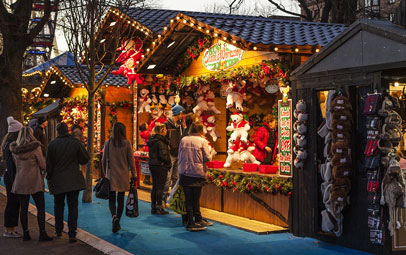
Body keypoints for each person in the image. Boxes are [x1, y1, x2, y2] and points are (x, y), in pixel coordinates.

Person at [46, 122, 89, 243]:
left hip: (58, 180)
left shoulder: (52, 145)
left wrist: (49, 177)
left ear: (57, 132)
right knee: (73, 207)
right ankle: (72, 233)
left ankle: (59, 230)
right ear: (68, 131)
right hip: (73, 179)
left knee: (58, 205)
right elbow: (85, 158)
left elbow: (48, 165)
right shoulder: (75, 143)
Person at [10, 127, 52, 241]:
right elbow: (43, 165)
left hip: (20, 181)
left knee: (23, 209)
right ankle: (42, 233)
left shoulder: (15, 150)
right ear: (31, 135)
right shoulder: (35, 147)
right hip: (35, 182)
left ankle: (26, 233)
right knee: (41, 208)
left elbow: (15, 165)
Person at [178, 122, 214, 231]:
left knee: (188, 199)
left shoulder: (183, 140)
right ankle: (193, 222)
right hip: (197, 172)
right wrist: (212, 152)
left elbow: (179, 155)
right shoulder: (203, 141)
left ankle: (192, 220)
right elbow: (207, 158)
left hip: (184, 171)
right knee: (195, 198)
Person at [102, 122, 136, 233]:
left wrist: (104, 172)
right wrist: (134, 174)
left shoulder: (108, 143)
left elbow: (103, 160)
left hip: (111, 174)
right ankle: (118, 221)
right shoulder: (127, 143)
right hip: (123, 175)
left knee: (111, 199)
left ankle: (114, 216)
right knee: (120, 199)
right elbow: (131, 161)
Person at [1, 117, 22, 238]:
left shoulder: (7, 144)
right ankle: (9, 229)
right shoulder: (10, 146)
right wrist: (15, 180)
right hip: (11, 177)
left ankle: (11, 228)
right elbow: (10, 164)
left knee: (13, 202)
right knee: (12, 202)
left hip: (10, 176)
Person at [162, 104, 185, 205]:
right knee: (167, 178)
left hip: (178, 153)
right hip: (170, 154)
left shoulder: (180, 125)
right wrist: (169, 147)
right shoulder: (166, 124)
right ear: (178, 113)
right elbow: (164, 138)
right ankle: (162, 199)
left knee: (176, 178)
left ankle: (173, 200)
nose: (182, 115)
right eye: (181, 113)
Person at [147, 123, 171, 215]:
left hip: (153, 165)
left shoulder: (152, 140)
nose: (166, 131)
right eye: (165, 130)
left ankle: (153, 206)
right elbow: (163, 155)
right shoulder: (161, 142)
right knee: (160, 187)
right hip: (160, 166)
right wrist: (168, 163)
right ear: (161, 131)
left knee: (155, 186)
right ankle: (159, 207)